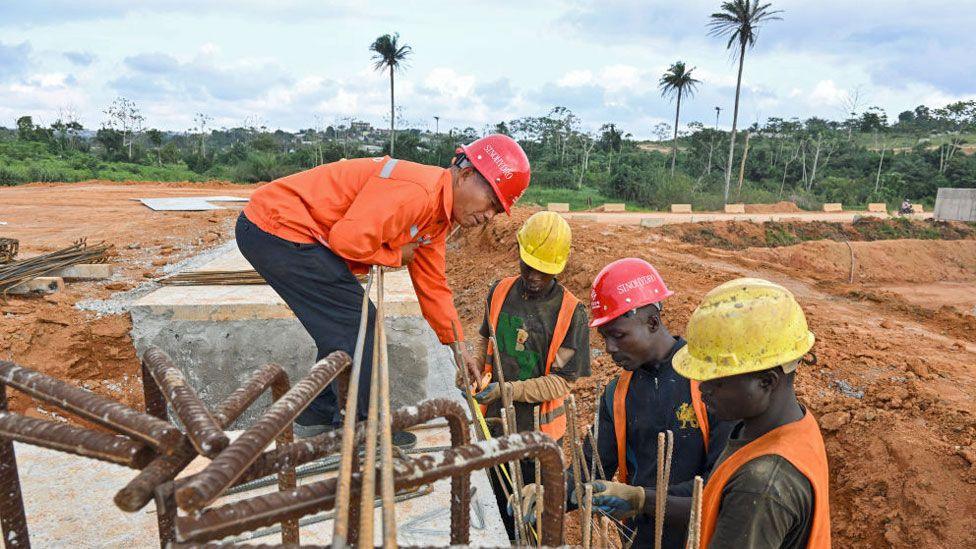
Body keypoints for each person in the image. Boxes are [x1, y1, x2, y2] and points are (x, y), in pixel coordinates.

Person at [236, 134, 530, 437]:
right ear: (466, 175)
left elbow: (433, 286)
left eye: (497, 210)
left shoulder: (438, 217)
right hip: (277, 228)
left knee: (343, 323)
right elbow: (347, 239)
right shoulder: (419, 193)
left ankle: (318, 415)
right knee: (360, 323)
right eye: (491, 202)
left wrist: (459, 346)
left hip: (288, 232)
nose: (489, 216)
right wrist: (394, 255)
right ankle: (363, 429)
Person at [513, 258, 733, 548]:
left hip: (700, 538)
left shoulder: (708, 384)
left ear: (652, 322)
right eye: (604, 337)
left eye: (618, 335)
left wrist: (640, 498)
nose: (609, 349)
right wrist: (550, 492)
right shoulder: (618, 394)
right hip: (640, 539)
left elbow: (720, 487)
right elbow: (590, 467)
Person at [671, 277, 830, 548]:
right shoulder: (784, 427)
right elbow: (716, 502)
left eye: (718, 381)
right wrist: (642, 499)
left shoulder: (761, 485)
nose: (702, 390)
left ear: (767, 382)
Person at [461, 211, 590, 542]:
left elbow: (561, 381)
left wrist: (507, 391)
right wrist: (474, 374)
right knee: (499, 509)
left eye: (543, 271)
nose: (533, 275)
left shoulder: (570, 313)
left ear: (558, 268)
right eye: (528, 264)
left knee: (536, 519)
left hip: (539, 438)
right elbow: (486, 345)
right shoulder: (500, 291)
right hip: (494, 426)